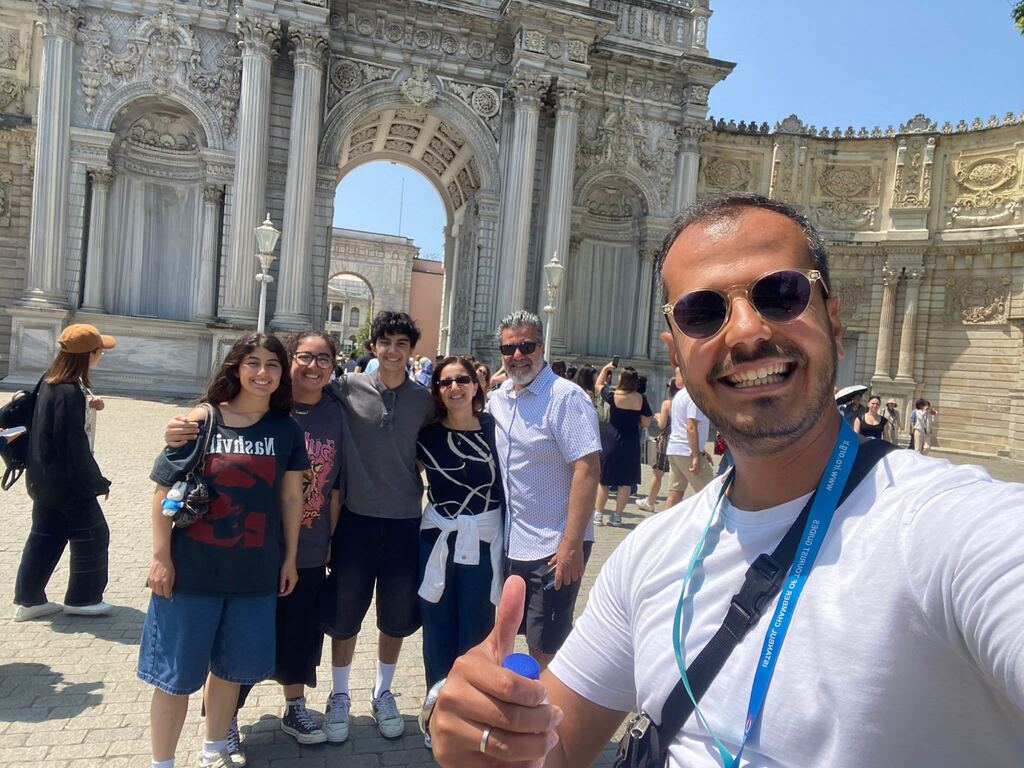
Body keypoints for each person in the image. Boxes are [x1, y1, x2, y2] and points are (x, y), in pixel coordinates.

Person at [426, 193, 1024, 767]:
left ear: (834, 322)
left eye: (781, 294)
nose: (744, 331)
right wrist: (490, 732)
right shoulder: (647, 555)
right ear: (676, 353)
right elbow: (549, 752)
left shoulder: (950, 528)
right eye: (703, 312)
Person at [141, 332, 308, 768]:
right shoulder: (203, 419)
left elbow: (292, 497)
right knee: (175, 677)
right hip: (191, 572)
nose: (262, 372)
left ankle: (214, 749)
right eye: (253, 362)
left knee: (230, 671)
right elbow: (162, 490)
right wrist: (160, 557)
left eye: (273, 364)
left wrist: (290, 557)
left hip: (254, 574)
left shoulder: (286, 429)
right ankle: (162, 762)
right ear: (236, 367)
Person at [318, 310, 434, 742]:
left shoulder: (425, 400)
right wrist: (205, 413)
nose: (392, 351)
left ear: (411, 350)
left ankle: (383, 691)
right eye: (385, 342)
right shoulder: (346, 388)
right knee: (345, 614)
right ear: (373, 347)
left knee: (395, 616)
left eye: (402, 344)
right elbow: (296, 396)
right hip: (355, 519)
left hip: (405, 521)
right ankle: (339, 694)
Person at [487, 311, 601, 670]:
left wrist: (571, 544)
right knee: (508, 630)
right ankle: (512, 699)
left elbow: (587, 468)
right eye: (508, 348)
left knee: (546, 646)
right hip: (512, 543)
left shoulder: (565, 397)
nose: (517, 355)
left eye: (526, 346)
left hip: (555, 545)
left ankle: (550, 705)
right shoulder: (499, 399)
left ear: (541, 347)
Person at [416, 356, 505, 744]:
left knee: (477, 628)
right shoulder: (425, 435)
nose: (455, 387)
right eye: (445, 382)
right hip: (437, 539)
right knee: (437, 627)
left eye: (462, 380)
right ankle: (437, 712)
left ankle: (472, 712)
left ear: (476, 385)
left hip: (483, 542)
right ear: (437, 391)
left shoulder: (496, 430)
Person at [13, 323, 116, 622]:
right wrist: (96, 482)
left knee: (45, 537)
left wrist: (89, 403)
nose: (101, 355)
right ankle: (83, 600)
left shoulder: (51, 379)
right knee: (93, 535)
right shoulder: (69, 391)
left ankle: (29, 600)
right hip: (67, 484)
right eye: (99, 351)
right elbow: (72, 446)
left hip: (42, 477)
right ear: (88, 354)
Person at [594, 362, 652, 526]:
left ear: (622, 379)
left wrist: (605, 369)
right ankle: (617, 516)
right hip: (630, 441)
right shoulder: (640, 399)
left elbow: (598, 385)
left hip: (612, 439)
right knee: (625, 482)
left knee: (604, 480)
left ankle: (598, 514)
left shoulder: (613, 395)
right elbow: (646, 422)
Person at [664, 370, 711, 506]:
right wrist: (696, 455)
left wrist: (701, 450)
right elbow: (690, 427)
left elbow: (683, 425)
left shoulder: (679, 395)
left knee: (674, 495)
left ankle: (668, 520)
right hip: (687, 451)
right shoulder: (693, 396)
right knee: (710, 493)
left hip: (675, 449)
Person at [636, 379, 679, 513]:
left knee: (657, 473)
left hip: (666, 441)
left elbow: (662, 426)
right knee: (679, 475)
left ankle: (650, 501)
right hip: (680, 441)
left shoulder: (667, 404)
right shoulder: (686, 403)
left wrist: (659, 417)